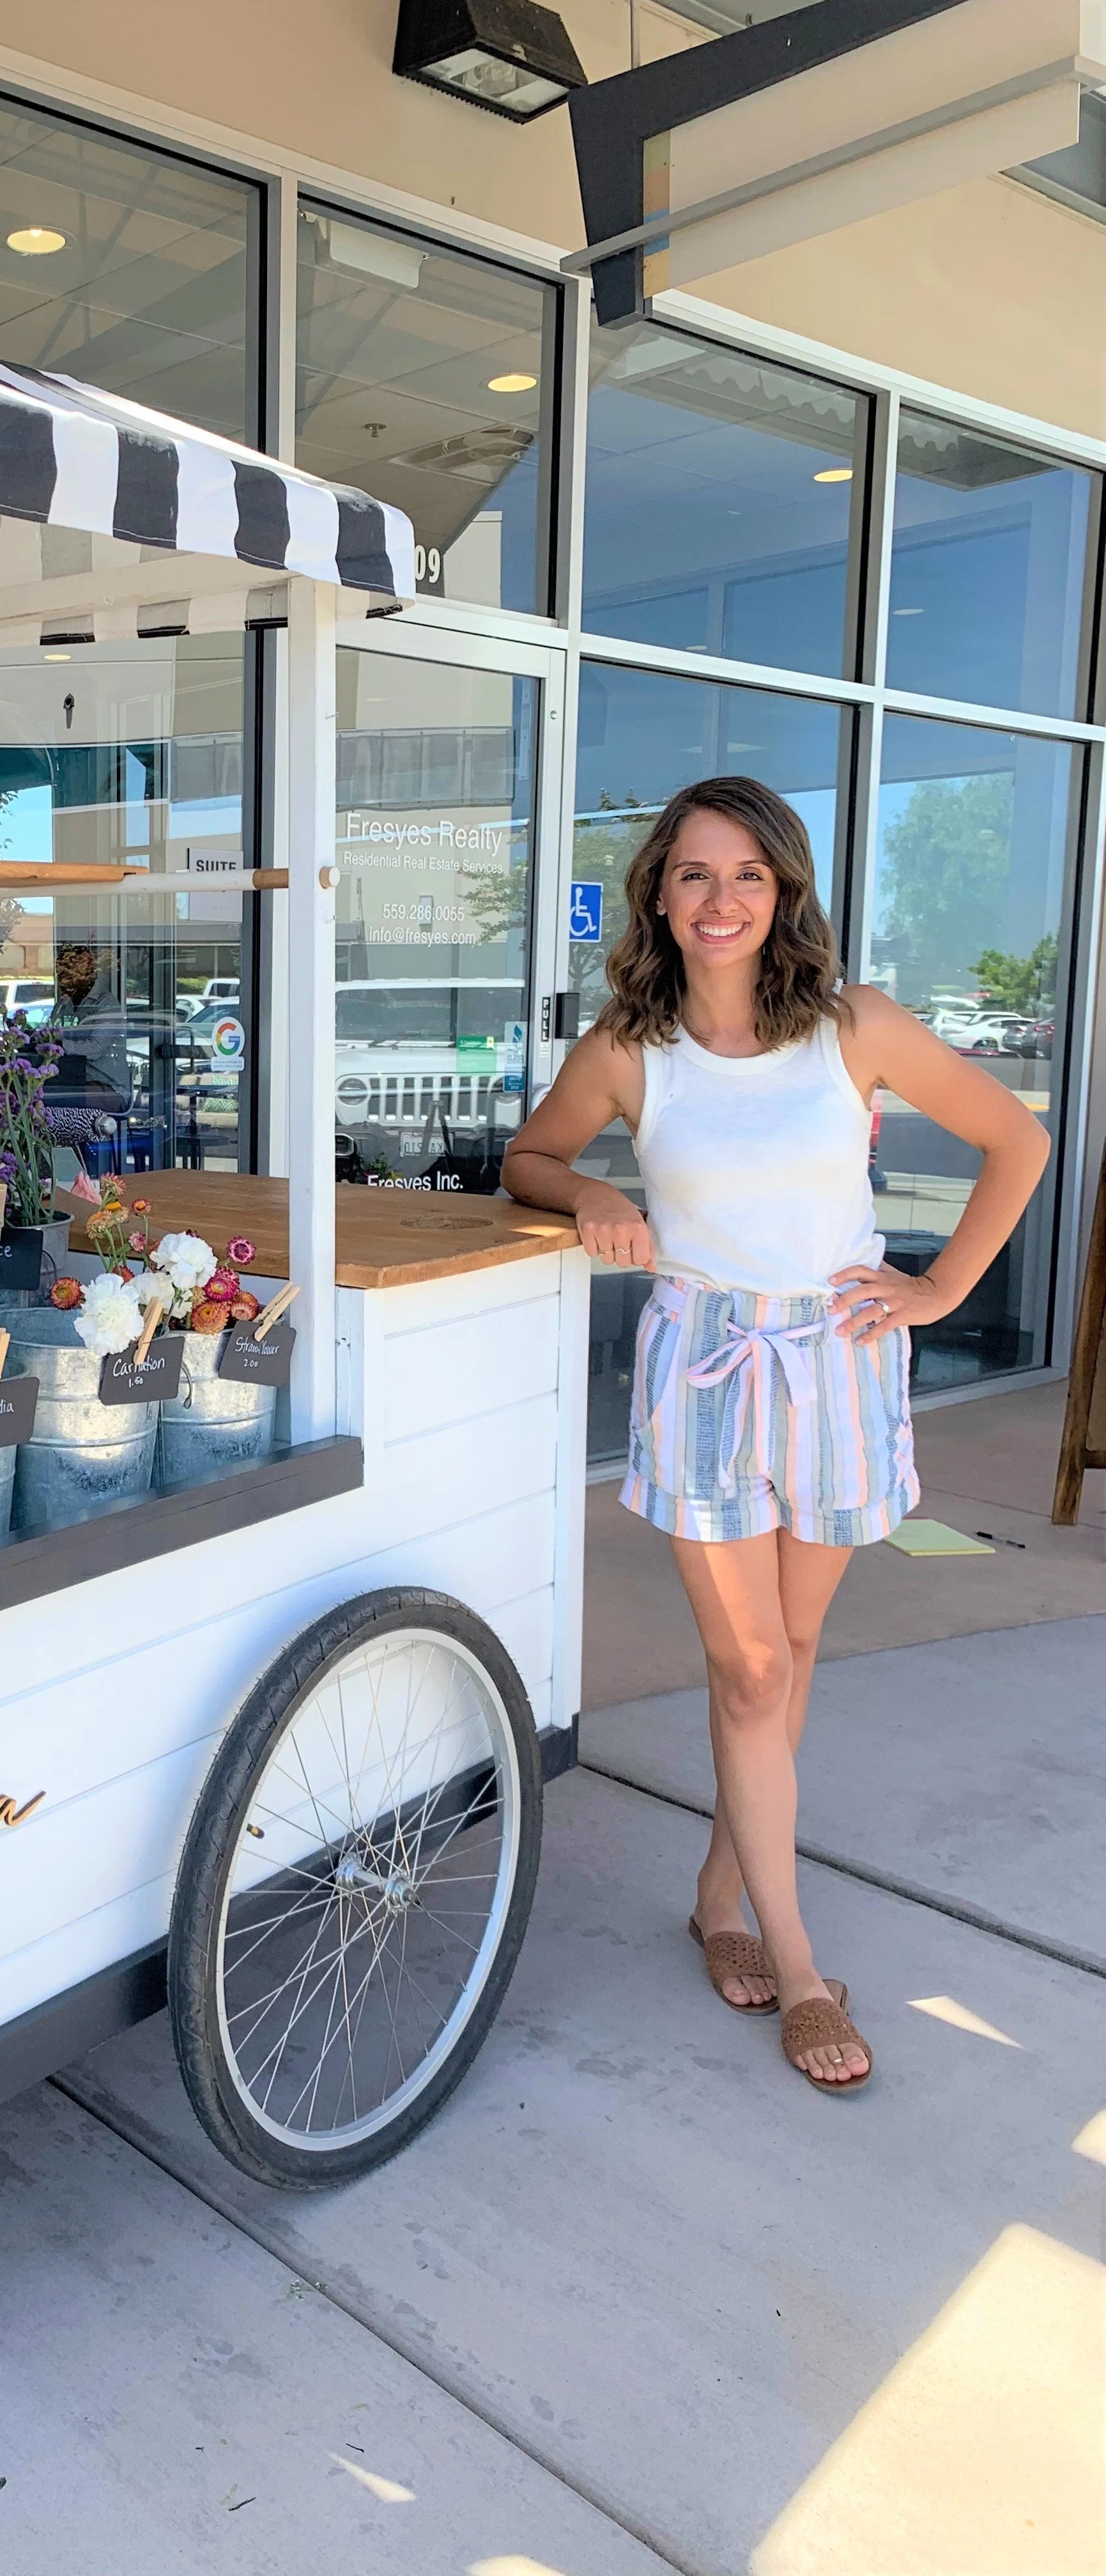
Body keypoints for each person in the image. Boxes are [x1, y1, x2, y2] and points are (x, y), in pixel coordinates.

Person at [502, 777, 1048, 2094]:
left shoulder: (852, 1027)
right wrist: (590, 1189)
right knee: (748, 1666)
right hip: (705, 1363)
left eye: (747, 875)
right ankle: (799, 1963)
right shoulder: (630, 1045)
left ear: (785, 891)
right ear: (659, 896)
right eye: (694, 874)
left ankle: (721, 1891)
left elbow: (1015, 1139)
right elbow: (527, 1159)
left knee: (794, 1648)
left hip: (842, 1359)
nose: (722, 899)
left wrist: (944, 1288)